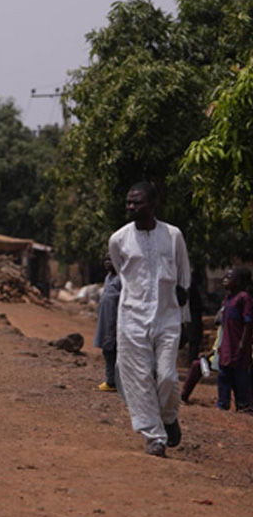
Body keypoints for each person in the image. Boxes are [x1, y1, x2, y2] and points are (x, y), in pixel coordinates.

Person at [108, 181, 191, 457]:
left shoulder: (173, 235)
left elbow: (184, 278)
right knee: (139, 377)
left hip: (168, 316)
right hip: (132, 316)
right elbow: (122, 272)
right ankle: (154, 436)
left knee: (167, 375)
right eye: (128, 202)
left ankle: (168, 417)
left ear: (152, 204)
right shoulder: (119, 239)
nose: (131, 207)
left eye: (137, 202)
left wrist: (185, 320)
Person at [214, 267, 253, 412]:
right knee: (223, 374)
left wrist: (243, 342)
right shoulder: (227, 300)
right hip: (227, 345)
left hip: (238, 346)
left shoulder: (244, 298)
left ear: (238, 282)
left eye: (229, 277)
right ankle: (222, 403)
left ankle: (243, 404)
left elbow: (248, 322)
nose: (225, 280)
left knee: (240, 375)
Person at [94, 254, 121, 392]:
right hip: (105, 322)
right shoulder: (108, 278)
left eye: (110, 259)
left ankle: (113, 382)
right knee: (107, 350)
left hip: (115, 323)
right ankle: (111, 380)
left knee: (114, 351)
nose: (107, 262)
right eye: (105, 260)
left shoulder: (121, 279)